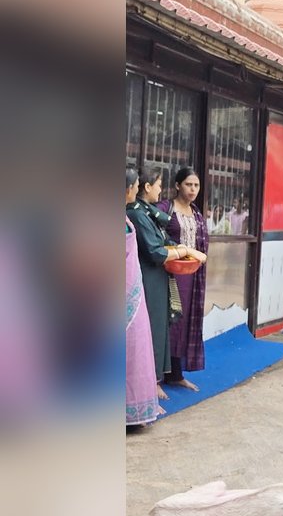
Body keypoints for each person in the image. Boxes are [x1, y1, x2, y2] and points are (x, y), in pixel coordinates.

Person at [126, 167, 202, 401]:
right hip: (148, 278)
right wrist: (183, 251)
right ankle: (151, 382)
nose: (160, 190)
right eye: (158, 185)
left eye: (196, 185)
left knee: (160, 328)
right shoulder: (137, 214)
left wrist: (183, 251)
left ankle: (160, 377)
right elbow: (154, 250)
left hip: (160, 276)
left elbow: (163, 239)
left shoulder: (147, 212)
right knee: (151, 330)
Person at [157, 167, 208, 392]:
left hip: (191, 278)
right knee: (167, 323)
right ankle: (156, 377)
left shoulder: (196, 213)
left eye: (196, 185)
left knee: (184, 323)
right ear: (177, 185)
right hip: (168, 275)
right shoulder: (164, 209)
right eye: (188, 184)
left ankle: (176, 374)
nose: (193, 189)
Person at [125, 168, 160, 426]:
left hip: (132, 295)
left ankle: (135, 410)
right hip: (126, 297)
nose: (137, 190)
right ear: (128, 189)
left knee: (134, 352)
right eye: (136, 186)